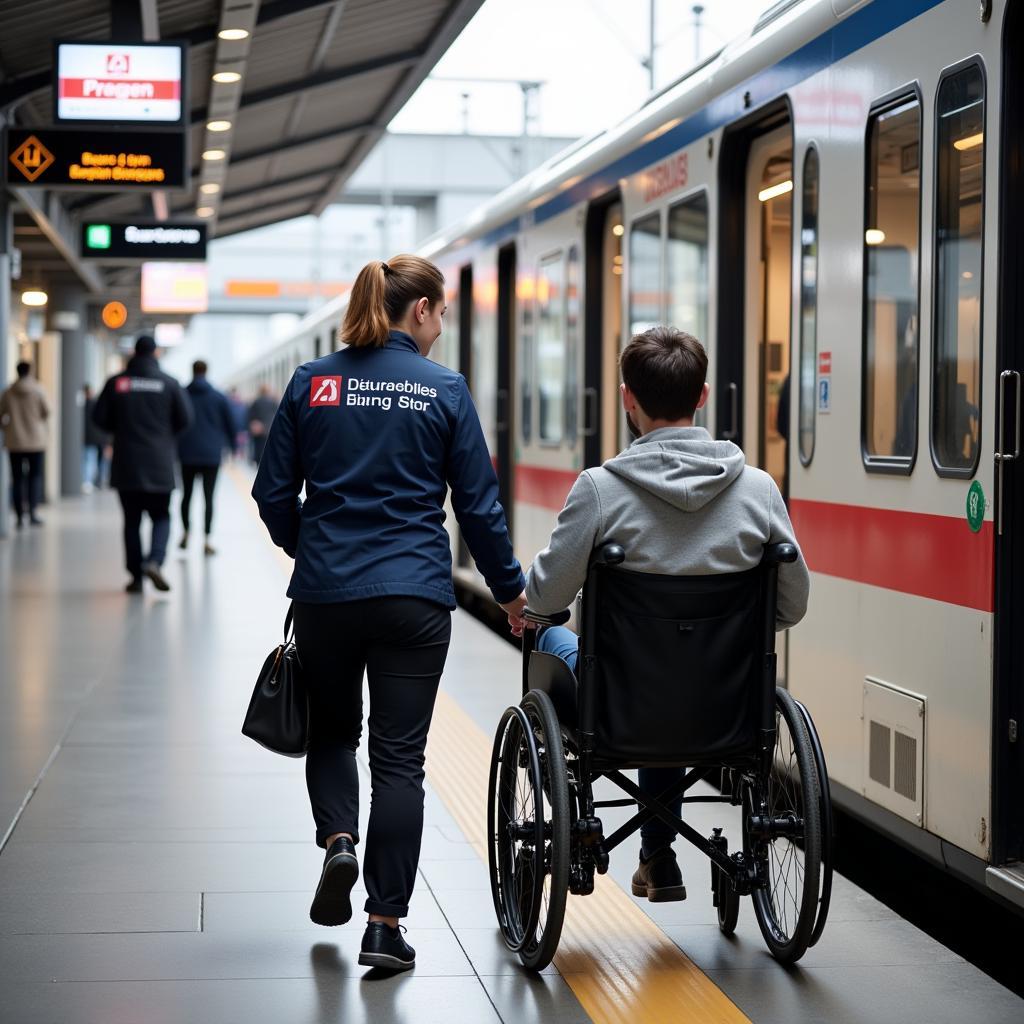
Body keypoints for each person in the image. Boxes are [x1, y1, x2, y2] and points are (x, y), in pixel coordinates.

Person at [252, 254, 526, 972]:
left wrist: (307, 547)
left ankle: (339, 841)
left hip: (326, 594)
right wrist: (509, 591)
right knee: (400, 760)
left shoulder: (313, 383)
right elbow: (479, 508)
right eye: (442, 314)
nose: (442, 327)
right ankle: (384, 924)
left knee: (334, 732)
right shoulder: (443, 389)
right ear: (422, 311)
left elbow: (272, 494)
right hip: (414, 595)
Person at [524, 325, 810, 904]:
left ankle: (582, 819)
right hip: (725, 701)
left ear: (628, 398)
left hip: (621, 701)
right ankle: (657, 853)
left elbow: (544, 598)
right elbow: (792, 603)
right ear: (702, 396)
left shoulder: (600, 489)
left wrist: (539, 613)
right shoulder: (757, 491)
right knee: (672, 676)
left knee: (553, 640)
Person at [93, 335, 192, 593]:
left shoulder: (117, 382)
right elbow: (186, 419)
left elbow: (99, 418)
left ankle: (136, 577)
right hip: (159, 462)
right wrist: (164, 434)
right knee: (161, 515)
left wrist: (120, 427)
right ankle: (155, 561)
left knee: (131, 521)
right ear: (155, 353)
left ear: (134, 353)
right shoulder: (169, 383)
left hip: (126, 462)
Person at [177, 360, 237, 555]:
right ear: (206, 371)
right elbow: (230, 425)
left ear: (192, 371)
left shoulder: (182, 394)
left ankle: (186, 532)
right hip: (211, 454)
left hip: (186, 453)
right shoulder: (219, 397)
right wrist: (233, 448)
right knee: (208, 498)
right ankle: (207, 540)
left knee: (186, 495)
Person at [0, 361, 50, 528]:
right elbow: (47, 412)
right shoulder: (38, 390)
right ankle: (33, 513)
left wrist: (8, 427)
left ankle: (20, 516)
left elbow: (1, 415)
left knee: (17, 479)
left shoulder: (8, 392)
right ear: (30, 371)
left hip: (14, 441)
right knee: (34, 478)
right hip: (36, 441)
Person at [82, 384, 111, 492]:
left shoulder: (84, 406)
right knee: (97, 460)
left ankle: (89, 481)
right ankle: (97, 481)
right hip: (99, 439)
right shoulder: (96, 405)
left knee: (90, 459)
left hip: (91, 439)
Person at [246, 385, 276, 465]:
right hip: (269, 429)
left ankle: (258, 463)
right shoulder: (273, 402)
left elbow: (250, 416)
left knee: (258, 448)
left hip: (257, 430)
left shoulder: (256, 402)